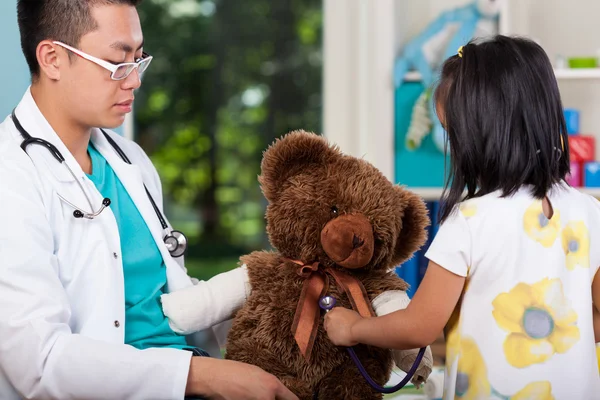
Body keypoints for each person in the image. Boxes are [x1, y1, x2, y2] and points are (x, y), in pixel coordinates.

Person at [0, 1, 297, 399]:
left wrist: (270, 317)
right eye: (117, 62)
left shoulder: (129, 161)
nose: (135, 80)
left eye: (138, 60)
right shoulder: (11, 175)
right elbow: (41, 362)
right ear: (52, 58)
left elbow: (168, 296)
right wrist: (203, 375)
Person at [324, 35, 600, 399]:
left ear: (482, 134)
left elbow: (420, 326)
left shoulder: (470, 220)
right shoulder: (589, 209)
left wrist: (354, 328)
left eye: (453, 133)